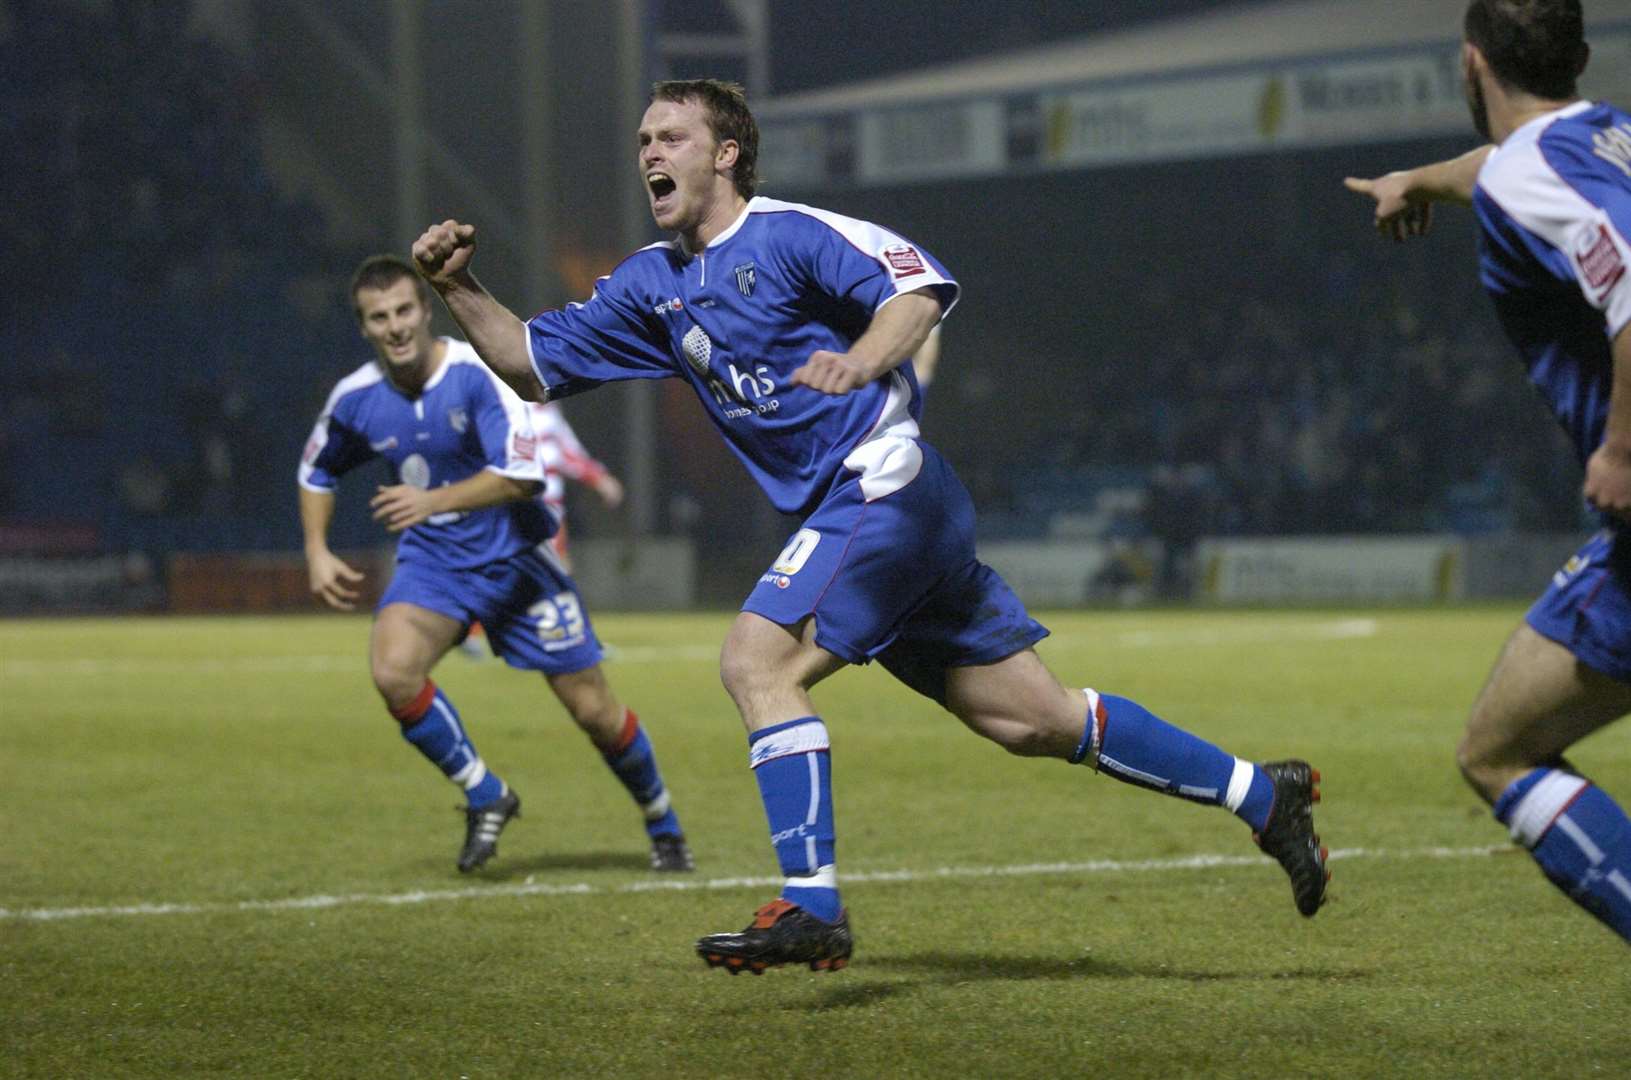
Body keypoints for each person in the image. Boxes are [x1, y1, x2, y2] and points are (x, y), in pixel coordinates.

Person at [411, 79, 1329, 973]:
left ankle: (812, 907)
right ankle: (1263, 794)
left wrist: (857, 361)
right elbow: (528, 363)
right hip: (854, 517)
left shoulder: (793, 235)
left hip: (884, 487)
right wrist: (459, 286)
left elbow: (918, 290)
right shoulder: (652, 285)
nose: (649, 152)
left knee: (755, 662)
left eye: (671, 138)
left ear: (726, 154)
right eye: (644, 141)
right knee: (1033, 720)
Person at [1346, 0, 1631, 943]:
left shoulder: (1535, 169)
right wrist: (1417, 180)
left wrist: (1621, 448)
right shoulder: (1606, 135)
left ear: (1470, 64)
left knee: (1500, 751)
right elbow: (1502, 171)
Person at [298, 254, 693, 875]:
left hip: (517, 564)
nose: (396, 326)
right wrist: (317, 550)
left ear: (426, 311)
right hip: (436, 566)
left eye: (405, 310)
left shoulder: (476, 373)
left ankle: (662, 819)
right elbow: (316, 469)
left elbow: (522, 476)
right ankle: (486, 792)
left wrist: (430, 500)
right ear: (365, 327)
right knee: (393, 672)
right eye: (380, 318)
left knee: (594, 711)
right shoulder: (355, 399)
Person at [456, 401, 623, 658]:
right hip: (525, 508)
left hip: (549, 508)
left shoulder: (548, 411)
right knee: (552, 574)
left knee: (534, 573)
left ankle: (473, 630)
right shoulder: (507, 405)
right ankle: (578, 642)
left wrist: (599, 478)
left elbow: (567, 453)